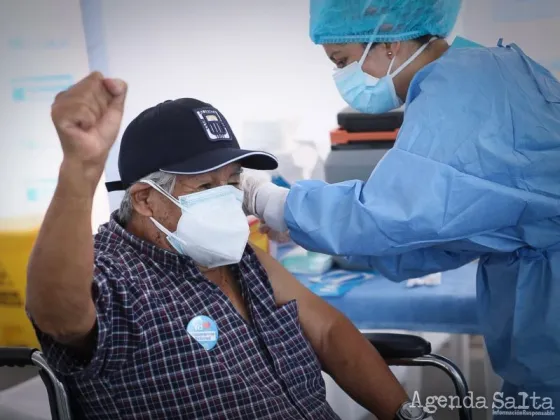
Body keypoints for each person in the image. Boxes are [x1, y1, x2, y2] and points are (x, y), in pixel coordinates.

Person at [25, 72, 423, 420]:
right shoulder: (118, 278)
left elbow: (328, 333)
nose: (227, 198)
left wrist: (406, 415)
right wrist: (81, 169)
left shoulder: (240, 259)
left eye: (232, 181)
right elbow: (60, 315)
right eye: (204, 186)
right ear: (146, 200)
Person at [242, 0, 560, 415]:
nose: (341, 78)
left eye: (342, 61)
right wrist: (310, 229)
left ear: (388, 38)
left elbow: (388, 213)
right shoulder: (484, 72)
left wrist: (272, 201)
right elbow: (450, 230)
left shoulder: (461, 88)